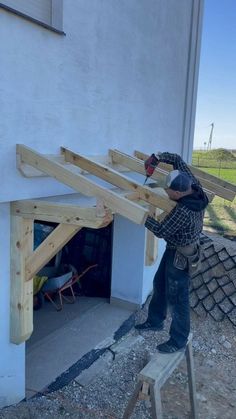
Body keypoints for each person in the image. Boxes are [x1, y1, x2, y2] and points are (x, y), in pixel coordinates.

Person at [135, 152, 209, 353]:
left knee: (178, 300)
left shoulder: (183, 212)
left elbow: (160, 230)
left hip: (180, 256)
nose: (165, 192)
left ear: (177, 194)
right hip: (177, 249)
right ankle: (155, 321)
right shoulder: (194, 185)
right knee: (159, 283)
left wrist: (142, 215)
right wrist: (158, 157)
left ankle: (177, 341)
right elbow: (177, 159)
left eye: (167, 191)